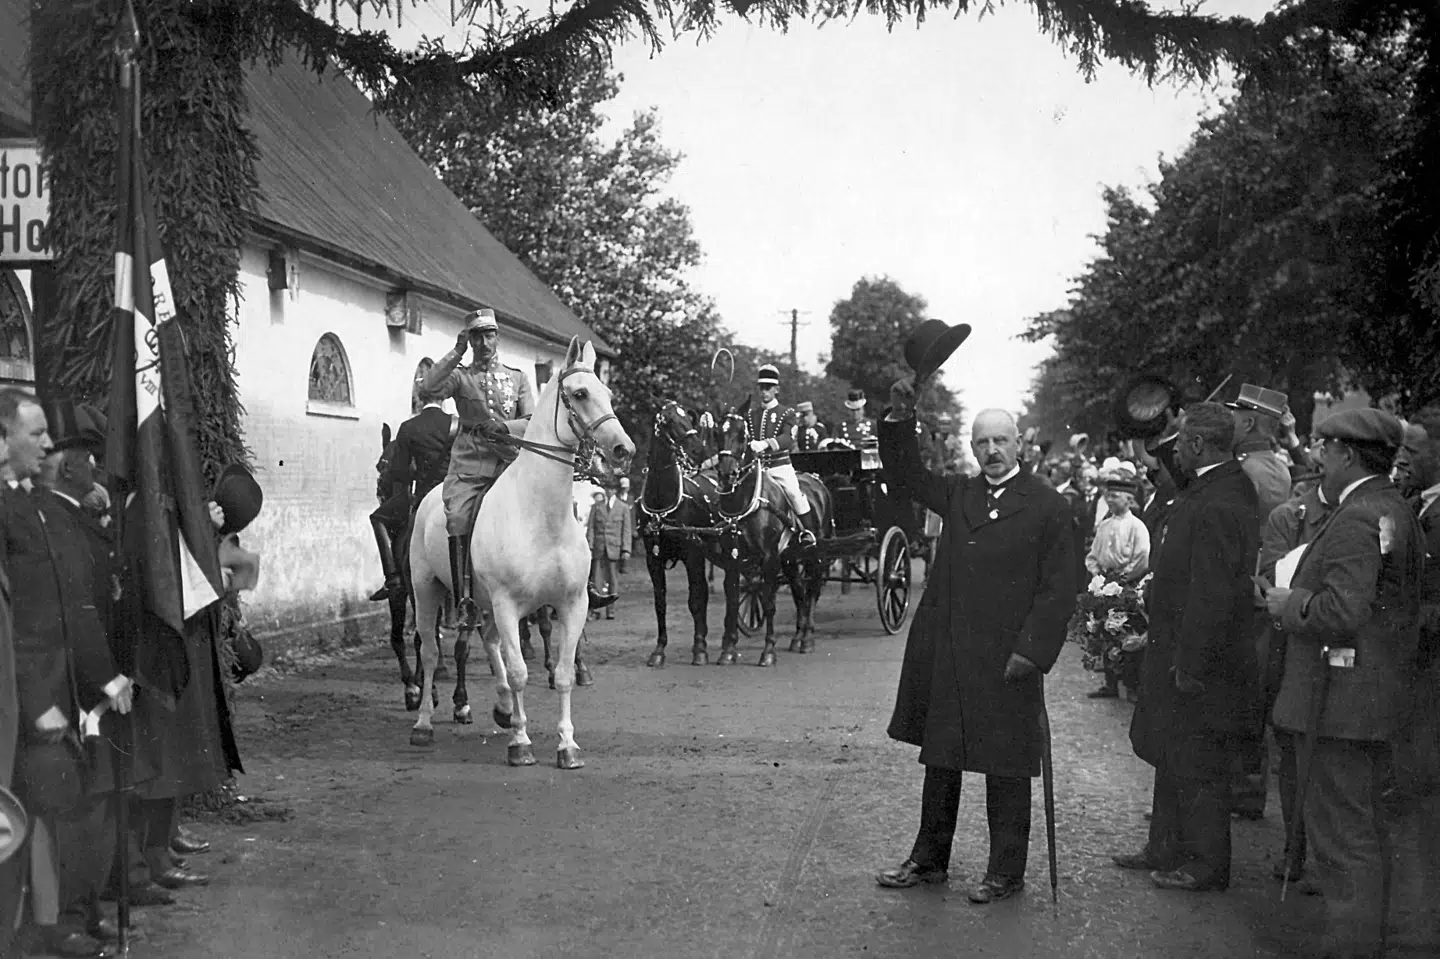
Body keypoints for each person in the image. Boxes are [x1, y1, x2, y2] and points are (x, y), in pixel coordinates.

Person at [874, 379, 1076, 904]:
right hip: (954, 654)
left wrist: (1032, 651)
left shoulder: (1048, 506)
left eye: (1000, 441)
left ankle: (1005, 871)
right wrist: (900, 418)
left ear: (1019, 446)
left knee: (1006, 765)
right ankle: (928, 858)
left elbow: (1059, 590)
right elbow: (905, 474)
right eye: (981, 442)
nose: (991, 451)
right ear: (972, 447)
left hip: (1009, 659)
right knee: (941, 758)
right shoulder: (959, 494)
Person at [1265, 408, 1426, 958]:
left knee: (1342, 841)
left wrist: (1291, 603)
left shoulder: (1360, 516)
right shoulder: (1389, 507)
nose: (1315, 457)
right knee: (1362, 835)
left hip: (1337, 707)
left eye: (1323, 448)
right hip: (1364, 703)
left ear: (1347, 454)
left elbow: (1344, 610)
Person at [0, 389, 128, 958]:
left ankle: (63, 918)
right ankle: (49, 926)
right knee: (45, 807)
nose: (48, 444)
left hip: (59, 685)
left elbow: (67, 602)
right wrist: (34, 701)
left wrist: (101, 679)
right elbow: (12, 625)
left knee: (62, 802)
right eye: (36, 434)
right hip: (24, 696)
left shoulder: (32, 507)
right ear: (4, 440)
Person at [1116, 402, 1260, 893]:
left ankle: (1205, 862)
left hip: (1199, 657)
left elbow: (1213, 590)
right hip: (1176, 646)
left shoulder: (1222, 497)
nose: (1173, 450)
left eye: (1180, 442)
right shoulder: (1208, 488)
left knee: (1199, 761)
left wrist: (1192, 663)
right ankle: (1165, 845)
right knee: (1172, 752)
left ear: (1198, 445)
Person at [420, 309, 535, 629]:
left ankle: (572, 581)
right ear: (469, 341)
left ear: (497, 338)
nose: (483, 342)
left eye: (489, 335)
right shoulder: (460, 376)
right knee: (456, 517)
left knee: (551, 503)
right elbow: (428, 388)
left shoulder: (518, 377)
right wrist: (455, 352)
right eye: (476, 337)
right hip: (471, 464)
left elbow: (531, 420)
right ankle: (463, 600)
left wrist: (505, 425)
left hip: (511, 462)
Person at [1254, 468, 1333, 892]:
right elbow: (1272, 578)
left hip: (1337, 644)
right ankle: (1294, 847)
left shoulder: (1360, 515)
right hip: (1291, 643)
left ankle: (1325, 855)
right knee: (1290, 746)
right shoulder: (1289, 516)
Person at [367, 381, 457, 602]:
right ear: (444, 398)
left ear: (419, 398)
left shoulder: (408, 428)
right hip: (456, 494)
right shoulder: (457, 424)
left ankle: (393, 579)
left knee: (377, 518)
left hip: (425, 497)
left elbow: (399, 472)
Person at [1081, 476, 1151, 700]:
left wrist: (1123, 579)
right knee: (1103, 632)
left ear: (1129, 499)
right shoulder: (1104, 525)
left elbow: (1142, 558)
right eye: (1108, 496)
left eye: (1115, 496)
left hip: (1127, 585)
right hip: (1104, 584)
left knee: (1126, 634)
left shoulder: (1136, 526)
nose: (1110, 501)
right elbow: (1093, 555)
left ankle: (1131, 685)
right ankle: (1110, 684)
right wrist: (1097, 576)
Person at [746, 365, 818, 549]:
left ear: (776, 389)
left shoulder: (787, 413)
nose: (764, 392)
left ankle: (807, 533)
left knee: (794, 494)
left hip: (779, 467)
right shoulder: (751, 414)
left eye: (768, 388)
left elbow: (788, 438)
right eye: (761, 387)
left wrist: (766, 444)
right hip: (757, 469)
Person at [587, 483, 632, 620]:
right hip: (599, 548)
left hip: (614, 548)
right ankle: (596, 610)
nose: (609, 491)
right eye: (607, 488)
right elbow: (591, 528)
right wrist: (589, 546)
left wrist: (626, 549)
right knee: (597, 580)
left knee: (613, 580)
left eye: (611, 488)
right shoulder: (596, 507)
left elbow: (626, 530)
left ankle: (611, 610)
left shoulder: (623, 507)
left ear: (615, 490)